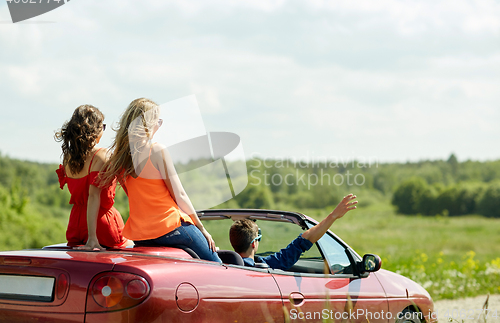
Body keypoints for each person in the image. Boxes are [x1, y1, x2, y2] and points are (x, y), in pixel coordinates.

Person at [98, 98, 221, 263]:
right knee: (217, 265)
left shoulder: (120, 160)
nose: (159, 125)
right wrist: (202, 228)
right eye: (158, 121)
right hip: (171, 229)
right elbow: (180, 195)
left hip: (141, 237)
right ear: (148, 124)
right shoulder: (156, 151)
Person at [55, 105, 130, 250]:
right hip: (100, 226)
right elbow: (93, 197)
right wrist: (92, 238)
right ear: (95, 129)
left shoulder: (68, 158)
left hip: (75, 225)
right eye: (103, 126)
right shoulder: (101, 155)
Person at [229, 194, 357, 270]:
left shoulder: (219, 264)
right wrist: (333, 216)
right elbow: (306, 239)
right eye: (259, 238)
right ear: (253, 244)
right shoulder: (266, 265)